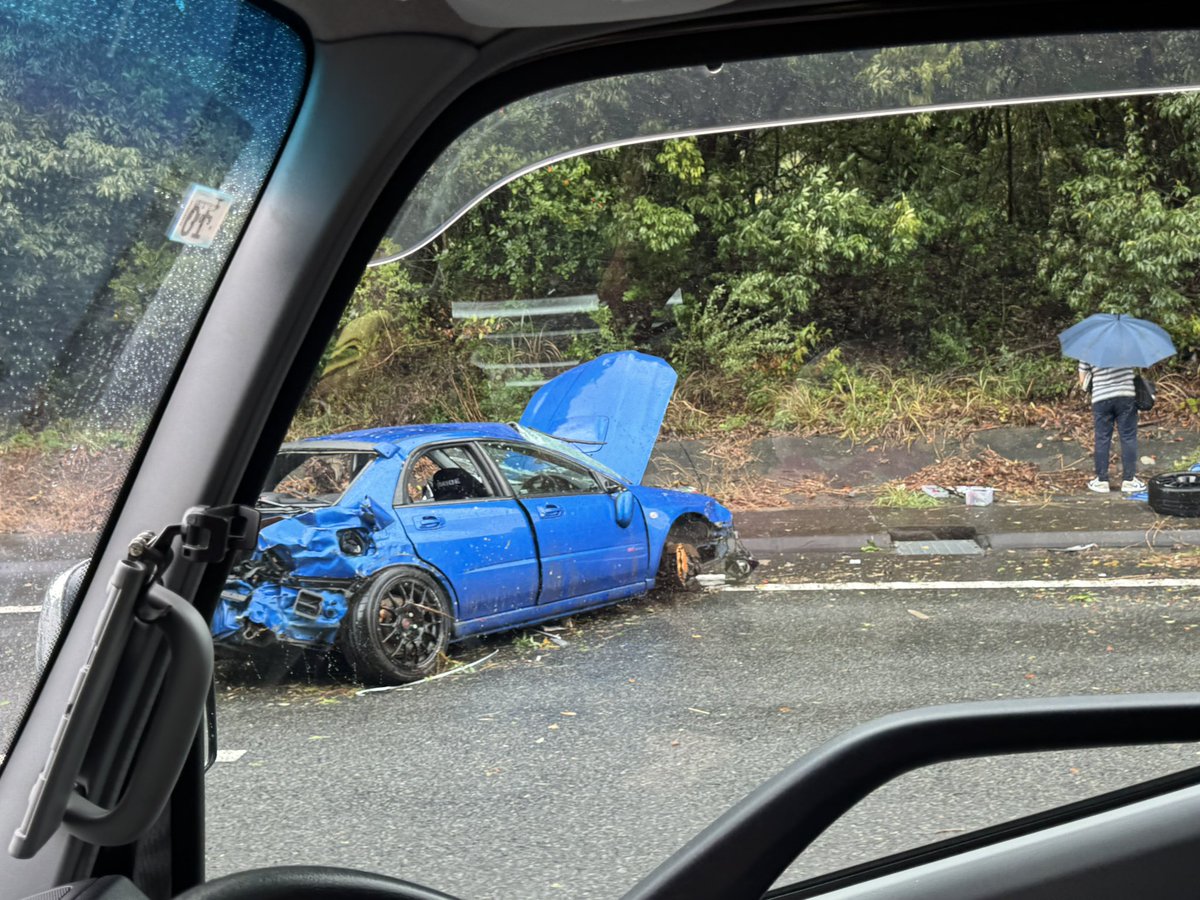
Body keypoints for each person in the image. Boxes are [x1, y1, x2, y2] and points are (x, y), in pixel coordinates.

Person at [1078, 362, 1145, 493]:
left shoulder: (1088, 346)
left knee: (1102, 438)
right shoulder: (1128, 342)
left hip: (1101, 397)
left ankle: (1102, 481)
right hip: (1126, 395)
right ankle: (1129, 480)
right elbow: (1139, 364)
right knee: (1128, 437)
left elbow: (1083, 380)